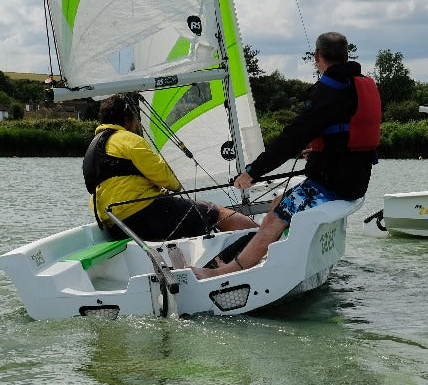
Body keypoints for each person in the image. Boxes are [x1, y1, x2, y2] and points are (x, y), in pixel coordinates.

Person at [192, 31, 381, 279]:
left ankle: (226, 271)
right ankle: (269, 252)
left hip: (335, 185)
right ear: (346, 55)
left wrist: (252, 172)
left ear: (317, 56)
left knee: (275, 216)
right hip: (355, 180)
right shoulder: (358, 85)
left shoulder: (329, 91)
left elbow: (291, 139)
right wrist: (322, 151)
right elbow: (350, 135)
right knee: (279, 202)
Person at [83, 93, 257, 241]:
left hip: (115, 223)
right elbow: (165, 177)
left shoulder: (94, 146)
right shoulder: (127, 139)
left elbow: (120, 180)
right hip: (143, 215)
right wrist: (174, 187)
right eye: (135, 119)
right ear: (128, 119)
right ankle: (266, 239)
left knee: (182, 218)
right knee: (216, 213)